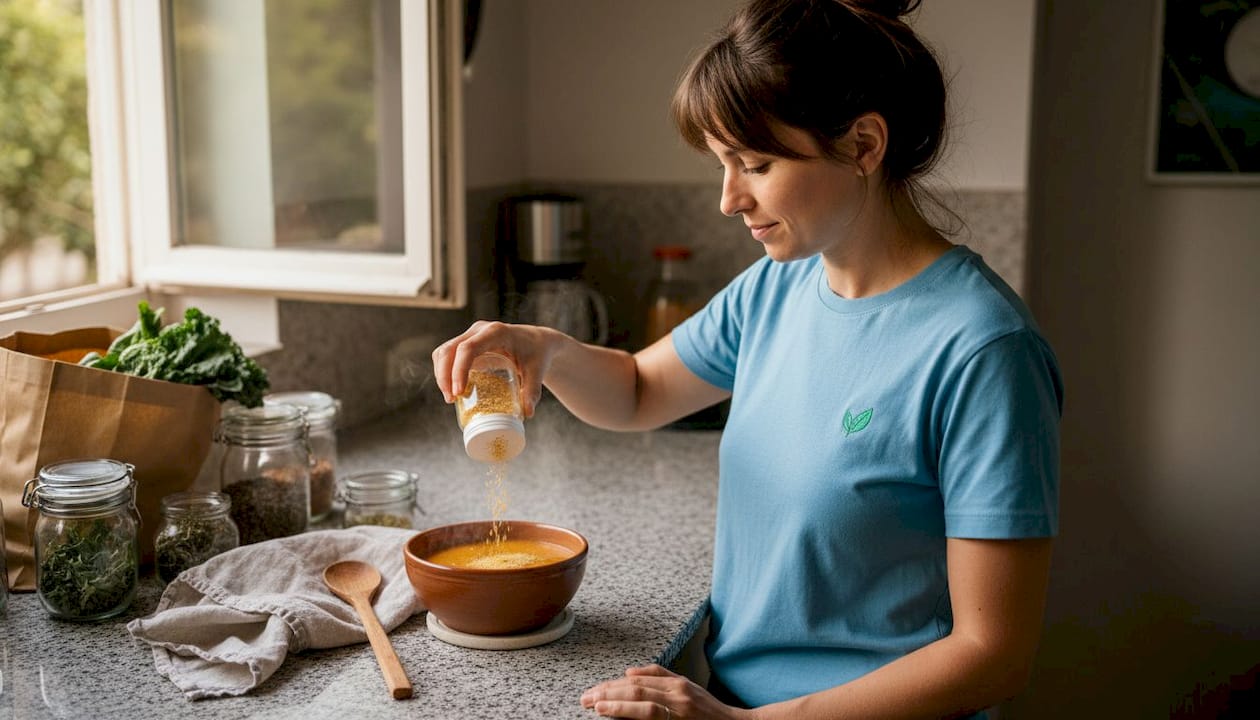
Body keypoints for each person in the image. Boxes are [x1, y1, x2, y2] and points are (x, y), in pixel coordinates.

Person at [432, 0, 1062, 717]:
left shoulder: (984, 352)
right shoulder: (777, 285)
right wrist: (544, 347)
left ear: (863, 145)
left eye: (755, 164)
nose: (729, 199)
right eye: (724, 164)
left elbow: (992, 655)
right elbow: (639, 391)